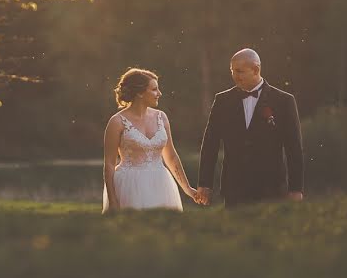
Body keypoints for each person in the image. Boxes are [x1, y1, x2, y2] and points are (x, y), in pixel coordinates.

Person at [195, 49, 304, 208]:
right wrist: (204, 184)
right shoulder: (222, 101)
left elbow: (294, 149)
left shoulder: (284, 101)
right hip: (234, 189)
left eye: (239, 71)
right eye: (232, 71)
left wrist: (296, 189)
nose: (235, 76)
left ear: (256, 69)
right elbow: (209, 145)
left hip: (271, 189)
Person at [103, 68, 197, 212]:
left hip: (161, 183)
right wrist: (113, 199)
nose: (159, 93)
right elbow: (109, 164)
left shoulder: (162, 117)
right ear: (140, 92)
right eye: (154, 89)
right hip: (129, 184)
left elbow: (171, 156)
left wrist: (187, 189)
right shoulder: (117, 122)